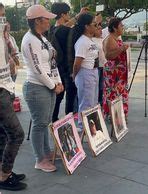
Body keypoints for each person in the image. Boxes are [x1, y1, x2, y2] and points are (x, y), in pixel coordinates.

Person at [22, 5, 64, 172]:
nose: (49, 21)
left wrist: (58, 81)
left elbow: (51, 62)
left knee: (45, 122)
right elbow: (37, 69)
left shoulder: (42, 38)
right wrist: (53, 85)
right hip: (36, 88)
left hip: (47, 86)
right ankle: (40, 159)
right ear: (37, 21)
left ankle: (46, 152)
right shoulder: (29, 40)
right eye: (46, 18)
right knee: (40, 124)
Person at [0, 3, 26, 191]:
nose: (3, 21)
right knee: (16, 134)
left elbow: (11, 58)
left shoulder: (3, 36)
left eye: (3, 16)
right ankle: (4, 175)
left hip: (6, 87)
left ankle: (4, 171)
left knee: (3, 134)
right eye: (0, 17)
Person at [50, 3, 88, 122]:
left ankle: (54, 119)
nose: (69, 15)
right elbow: (68, 27)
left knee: (58, 96)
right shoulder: (65, 31)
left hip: (56, 67)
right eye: (68, 13)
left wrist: (78, 15)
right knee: (71, 95)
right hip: (68, 66)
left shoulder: (52, 30)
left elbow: (63, 26)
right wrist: (80, 16)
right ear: (63, 14)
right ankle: (69, 119)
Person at [72, 13, 99, 129]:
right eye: (95, 24)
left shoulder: (90, 40)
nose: (97, 26)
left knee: (92, 102)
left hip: (93, 72)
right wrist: (74, 75)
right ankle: (83, 127)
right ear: (87, 26)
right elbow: (77, 62)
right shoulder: (82, 42)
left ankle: (90, 127)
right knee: (86, 103)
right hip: (85, 73)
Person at [103, 18, 129, 118]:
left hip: (119, 74)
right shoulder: (109, 39)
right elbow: (108, 56)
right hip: (114, 74)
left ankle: (119, 116)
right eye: (121, 26)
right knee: (113, 94)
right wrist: (121, 48)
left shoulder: (116, 39)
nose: (123, 27)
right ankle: (112, 116)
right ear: (114, 27)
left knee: (119, 94)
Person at [92, 18, 107, 104]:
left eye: (101, 29)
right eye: (98, 29)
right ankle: (96, 102)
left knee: (102, 86)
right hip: (97, 67)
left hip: (104, 65)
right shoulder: (92, 40)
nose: (100, 30)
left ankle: (100, 102)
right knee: (96, 86)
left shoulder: (103, 40)